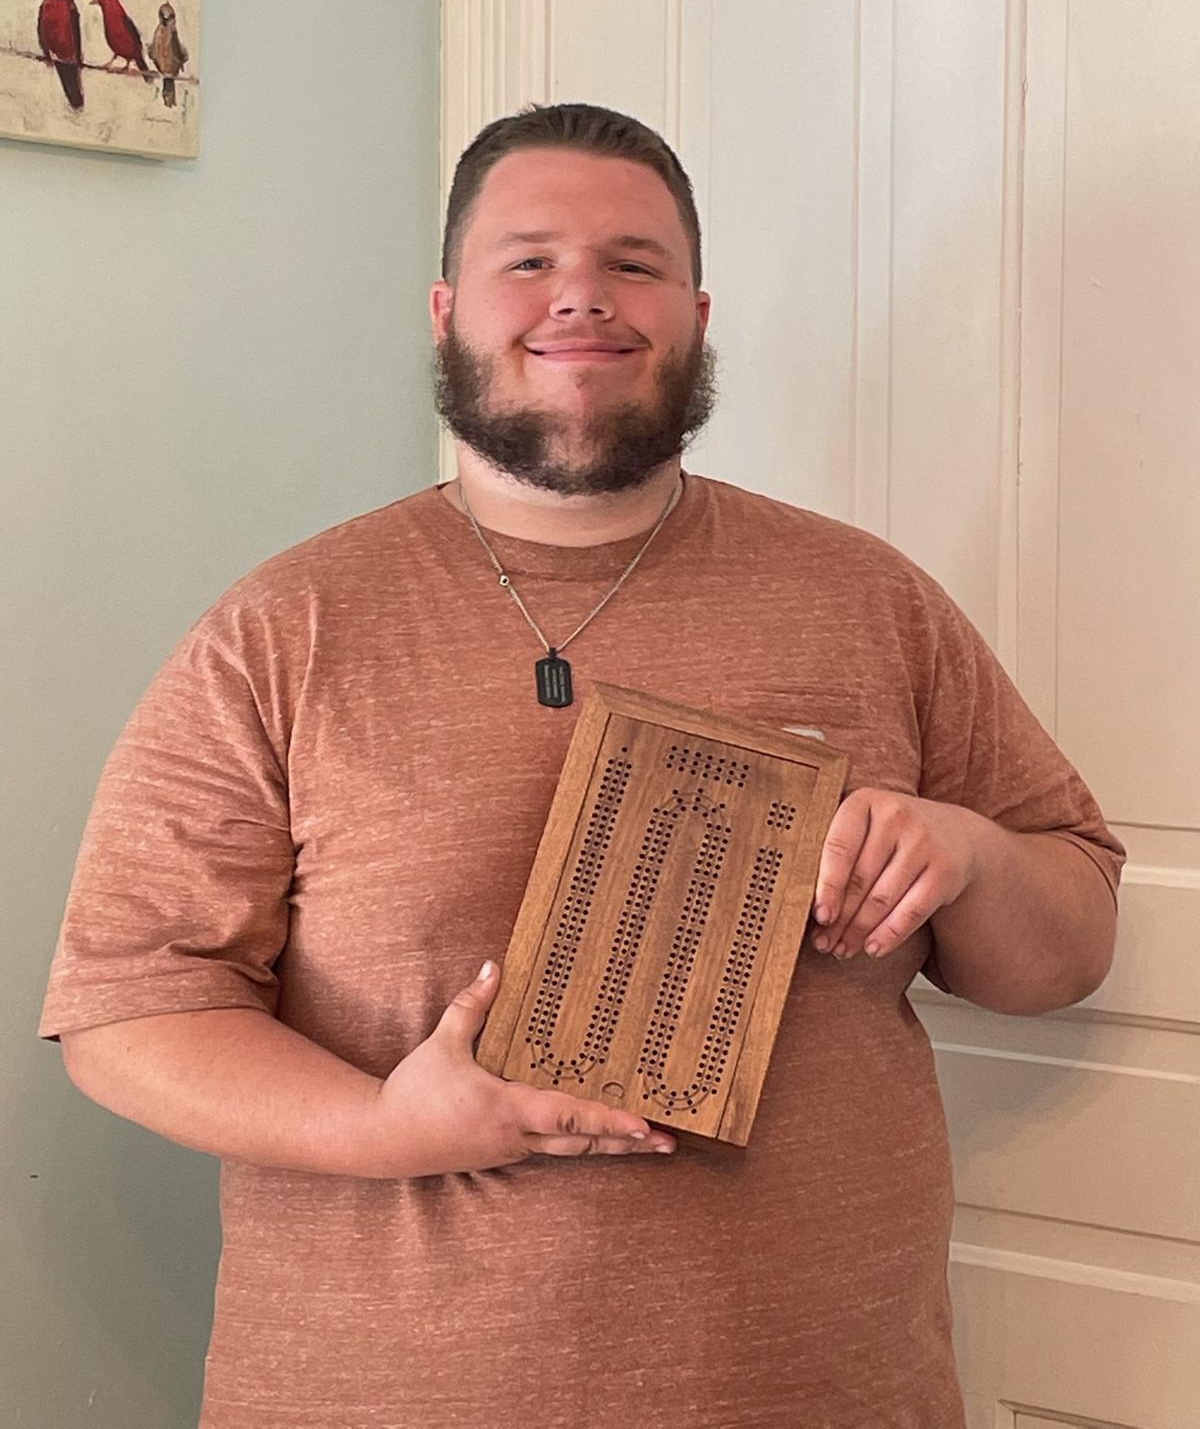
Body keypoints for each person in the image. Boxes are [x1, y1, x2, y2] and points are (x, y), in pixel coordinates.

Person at [41, 103, 1123, 1428]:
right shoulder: (287, 629)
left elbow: (1065, 948)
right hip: (384, 1397)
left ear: (698, 312)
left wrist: (964, 857)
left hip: (829, 1393)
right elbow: (126, 1015)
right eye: (529, 260)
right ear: (445, 308)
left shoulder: (869, 602)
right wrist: (392, 1131)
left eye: (634, 263)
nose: (583, 299)